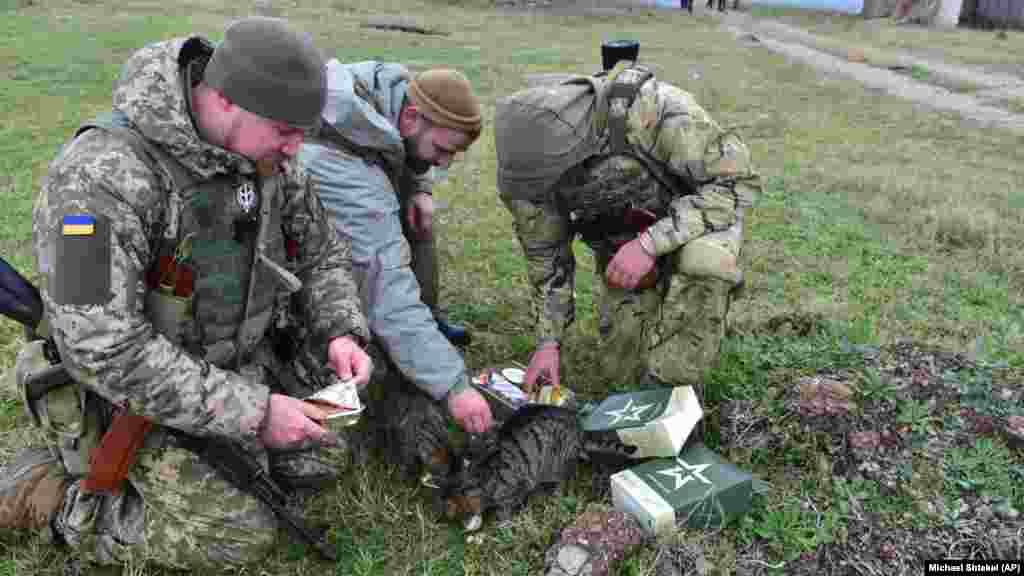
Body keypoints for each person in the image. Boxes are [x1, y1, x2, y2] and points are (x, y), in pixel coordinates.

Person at [0, 17, 373, 571]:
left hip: (236, 367)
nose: (298, 149)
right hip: (131, 396)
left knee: (324, 458)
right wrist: (256, 413)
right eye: (286, 131)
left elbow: (322, 251)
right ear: (223, 100)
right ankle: (40, 491)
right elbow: (100, 348)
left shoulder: (270, 158)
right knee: (235, 535)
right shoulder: (96, 179)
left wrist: (341, 328)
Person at [495, 60, 760, 402]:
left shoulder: (658, 111)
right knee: (620, 373)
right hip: (623, 240)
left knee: (703, 266)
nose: (540, 196)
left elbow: (737, 184)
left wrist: (650, 245)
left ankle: (672, 395)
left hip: (701, 218)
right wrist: (549, 342)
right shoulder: (528, 174)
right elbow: (546, 260)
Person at [297, 62, 494, 482]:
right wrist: (454, 387)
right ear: (409, 118)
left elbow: (406, 151)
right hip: (293, 280)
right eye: (440, 152)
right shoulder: (346, 173)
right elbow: (387, 294)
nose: (441, 165)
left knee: (417, 223)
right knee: (373, 367)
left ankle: (426, 336)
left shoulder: (384, 89)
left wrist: (419, 188)